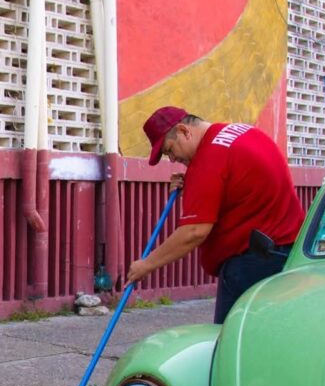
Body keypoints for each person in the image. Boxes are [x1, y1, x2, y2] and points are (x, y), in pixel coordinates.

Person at [125, 106, 304, 324]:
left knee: (232, 338)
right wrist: (193, 185)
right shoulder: (241, 132)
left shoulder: (208, 160)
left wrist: (146, 265)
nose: (172, 159)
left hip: (252, 265)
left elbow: (194, 232)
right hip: (287, 253)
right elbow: (239, 183)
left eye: (170, 150)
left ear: (184, 131)